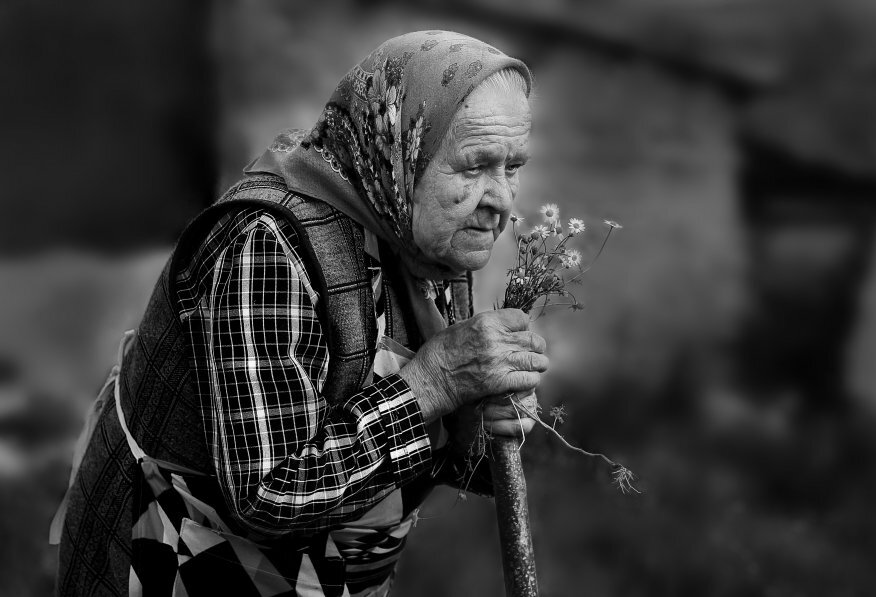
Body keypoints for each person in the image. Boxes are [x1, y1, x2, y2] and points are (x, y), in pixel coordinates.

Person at [52, 30, 546, 596]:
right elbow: (268, 491)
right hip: (172, 566)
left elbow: (404, 439)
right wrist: (435, 384)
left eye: (513, 167)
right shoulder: (267, 247)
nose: (503, 200)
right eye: (475, 166)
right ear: (400, 149)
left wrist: (477, 418)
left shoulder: (421, 239)